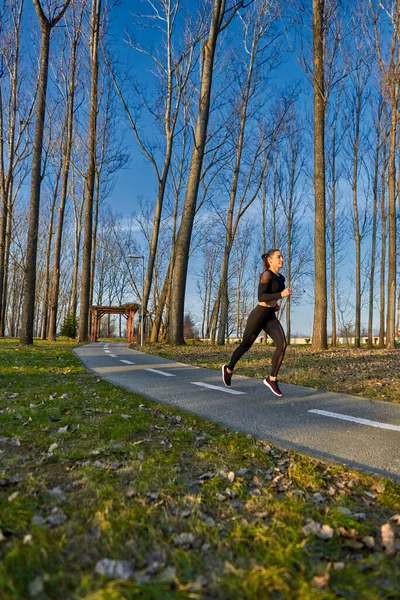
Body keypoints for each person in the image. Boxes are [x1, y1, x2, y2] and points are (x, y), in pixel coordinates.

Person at [222, 249, 292, 397]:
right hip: (259, 315)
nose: (282, 260)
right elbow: (261, 297)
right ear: (270, 260)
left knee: (282, 344)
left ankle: (272, 379)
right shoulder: (266, 275)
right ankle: (228, 369)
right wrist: (281, 295)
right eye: (279, 257)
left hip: (270, 316)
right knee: (246, 345)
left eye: (282, 257)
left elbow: (271, 297)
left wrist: (275, 304)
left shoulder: (281, 278)